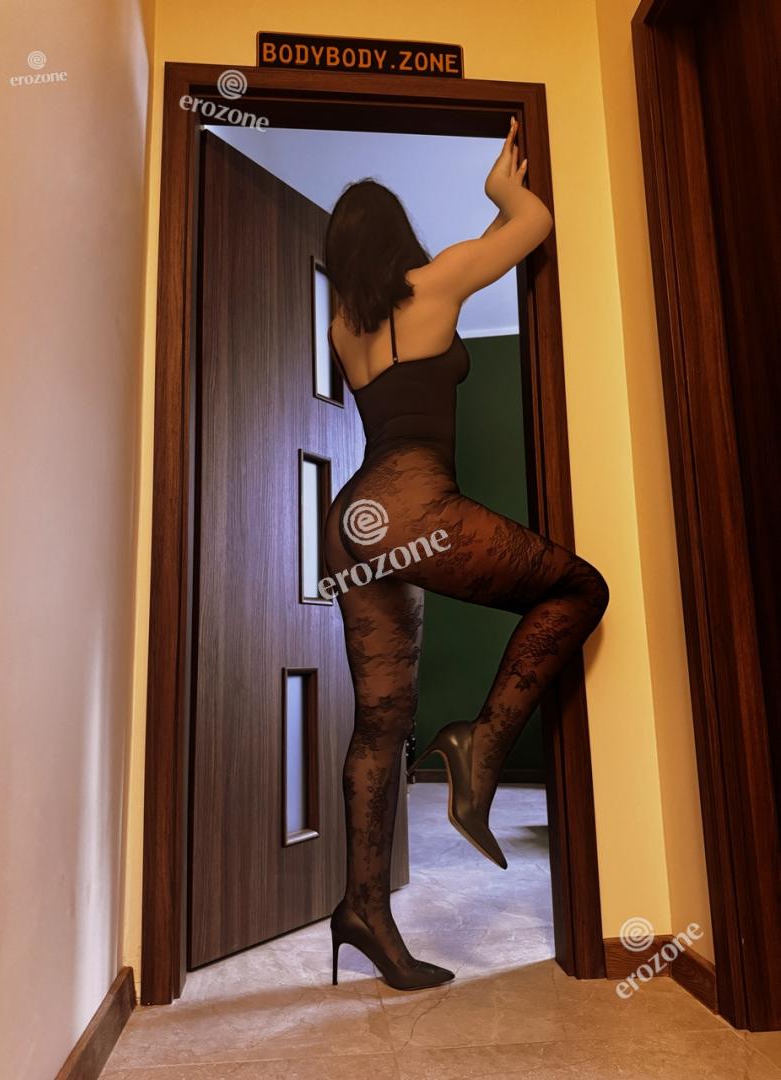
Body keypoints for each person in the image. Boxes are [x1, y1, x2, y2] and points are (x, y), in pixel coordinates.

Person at [322, 116, 609, 991]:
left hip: (355, 521)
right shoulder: (437, 279)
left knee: (380, 724)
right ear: (398, 235)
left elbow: (479, 260)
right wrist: (502, 191)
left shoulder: (343, 328)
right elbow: (531, 228)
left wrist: (492, 218)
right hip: (414, 506)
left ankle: (362, 910)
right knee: (578, 589)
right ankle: (480, 744)